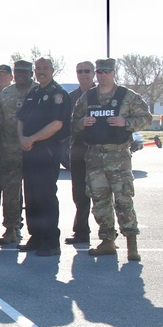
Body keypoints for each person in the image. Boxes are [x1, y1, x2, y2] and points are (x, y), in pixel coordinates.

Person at [72, 58, 153, 260]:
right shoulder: (87, 97)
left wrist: (126, 122)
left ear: (114, 73)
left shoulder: (126, 96)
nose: (102, 75)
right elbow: (72, 122)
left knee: (124, 199)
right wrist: (81, 122)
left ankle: (131, 245)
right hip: (94, 157)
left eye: (106, 72)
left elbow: (147, 118)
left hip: (118, 156)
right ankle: (107, 241)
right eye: (99, 72)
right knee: (99, 201)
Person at [17, 57, 71, 257]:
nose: (41, 71)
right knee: (31, 196)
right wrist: (22, 138)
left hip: (46, 151)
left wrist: (32, 138)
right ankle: (35, 236)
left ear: (52, 70)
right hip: (29, 151)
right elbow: (21, 119)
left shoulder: (58, 94)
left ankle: (50, 241)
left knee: (45, 197)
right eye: (38, 69)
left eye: (45, 68)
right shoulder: (34, 92)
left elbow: (57, 124)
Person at [0, 60, 36, 245]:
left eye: (24, 72)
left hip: (36, 150)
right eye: (17, 72)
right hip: (9, 150)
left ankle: (37, 230)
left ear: (31, 73)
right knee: (10, 192)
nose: (21, 75)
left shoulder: (39, 91)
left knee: (35, 192)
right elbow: (0, 123)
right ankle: (11, 228)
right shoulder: (5, 94)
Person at [65, 61, 96, 245]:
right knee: (79, 194)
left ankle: (107, 234)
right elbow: (64, 125)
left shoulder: (103, 95)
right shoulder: (71, 97)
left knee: (104, 194)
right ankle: (81, 231)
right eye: (79, 71)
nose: (83, 74)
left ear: (93, 73)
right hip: (78, 151)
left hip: (101, 152)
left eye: (87, 71)